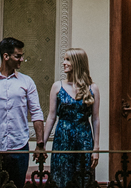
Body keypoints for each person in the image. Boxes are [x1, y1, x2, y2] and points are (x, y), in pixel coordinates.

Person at [0, 37, 45, 188]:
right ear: (6, 56)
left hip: (19, 148)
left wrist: (40, 144)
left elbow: (37, 113)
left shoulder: (27, 82)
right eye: (18, 56)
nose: (22, 59)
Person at [43, 48, 101, 188]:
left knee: (83, 178)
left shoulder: (92, 88)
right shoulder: (57, 86)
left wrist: (96, 148)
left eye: (68, 59)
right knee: (61, 178)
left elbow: (95, 118)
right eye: (64, 59)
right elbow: (51, 117)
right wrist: (42, 144)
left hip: (84, 139)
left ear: (77, 63)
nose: (64, 63)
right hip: (62, 138)